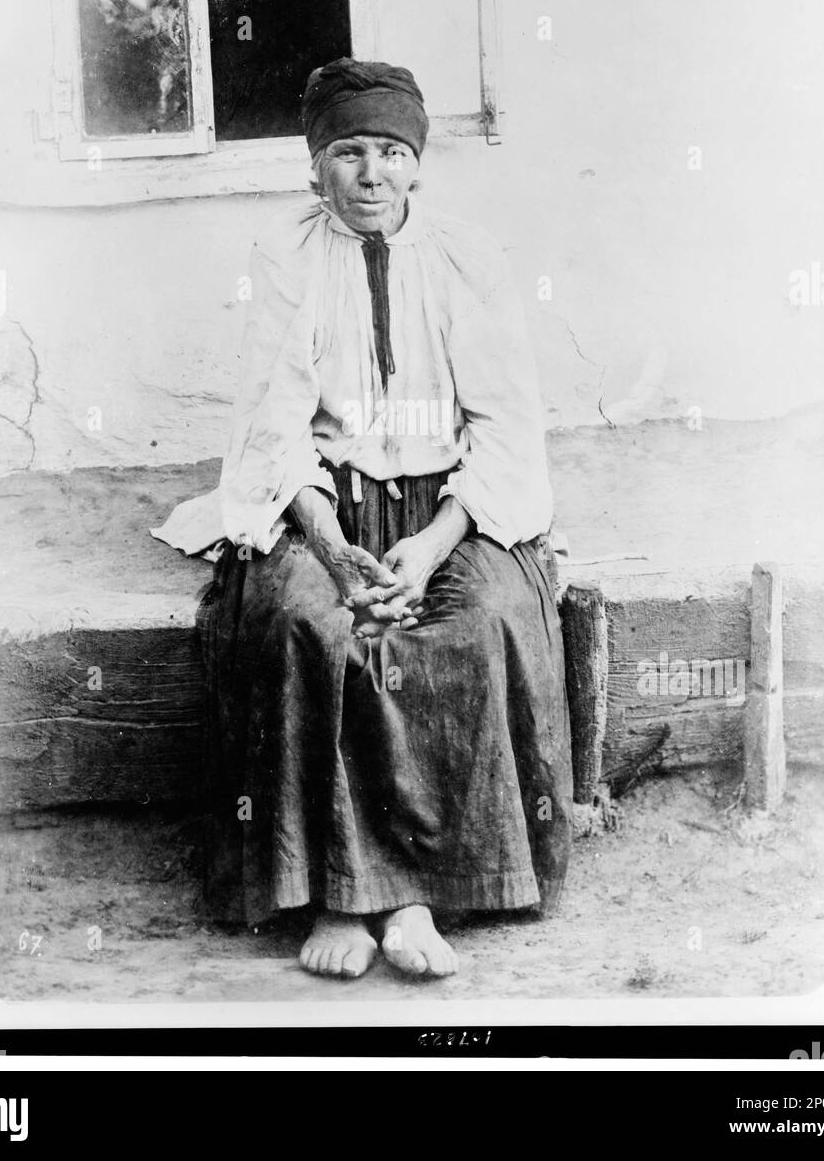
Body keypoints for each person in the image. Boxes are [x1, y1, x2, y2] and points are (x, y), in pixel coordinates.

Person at [152, 57, 572, 980]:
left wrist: (431, 543)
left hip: (450, 506)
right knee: (308, 623)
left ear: (417, 165)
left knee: (475, 624)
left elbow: (503, 421)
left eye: (389, 152)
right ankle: (340, 894)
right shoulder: (288, 258)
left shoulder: (467, 257)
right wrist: (335, 547)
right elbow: (274, 423)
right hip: (322, 503)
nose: (371, 174)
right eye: (348, 153)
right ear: (315, 168)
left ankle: (418, 894)